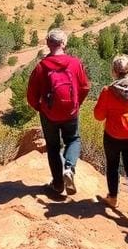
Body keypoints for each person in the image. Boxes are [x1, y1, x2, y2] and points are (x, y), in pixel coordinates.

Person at [26, 28, 91, 196]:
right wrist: (77, 103)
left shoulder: (41, 67)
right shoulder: (75, 63)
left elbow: (31, 94)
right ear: (64, 43)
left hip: (49, 114)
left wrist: (40, 108)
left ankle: (58, 184)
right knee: (73, 139)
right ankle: (69, 168)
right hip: (70, 112)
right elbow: (85, 87)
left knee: (53, 147)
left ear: (48, 44)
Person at [93, 54, 128, 226]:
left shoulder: (107, 91)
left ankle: (113, 197)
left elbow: (98, 116)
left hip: (113, 135)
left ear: (114, 72)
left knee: (112, 165)